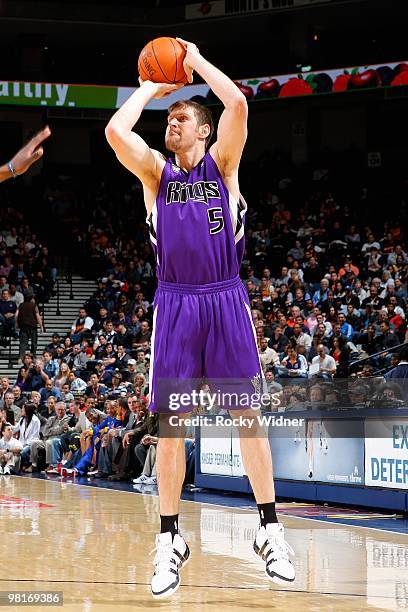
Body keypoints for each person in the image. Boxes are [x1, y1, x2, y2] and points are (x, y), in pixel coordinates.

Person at [106, 37, 295, 598]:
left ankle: (271, 529)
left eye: (182, 117)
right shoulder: (155, 176)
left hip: (225, 298)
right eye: (170, 118)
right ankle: (168, 541)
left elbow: (237, 103)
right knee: (172, 430)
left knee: (249, 419)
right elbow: (117, 134)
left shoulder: (224, 166)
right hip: (176, 303)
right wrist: (150, 87)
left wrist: (192, 59)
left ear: (203, 130)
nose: (173, 123)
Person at [16, 293, 44, 360]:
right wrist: (41, 326)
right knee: (34, 342)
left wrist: (17, 324)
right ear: (31, 299)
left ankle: (20, 358)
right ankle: (33, 356)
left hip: (23, 327)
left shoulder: (21, 305)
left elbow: (16, 315)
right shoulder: (34, 306)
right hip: (32, 326)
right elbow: (38, 317)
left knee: (23, 343)